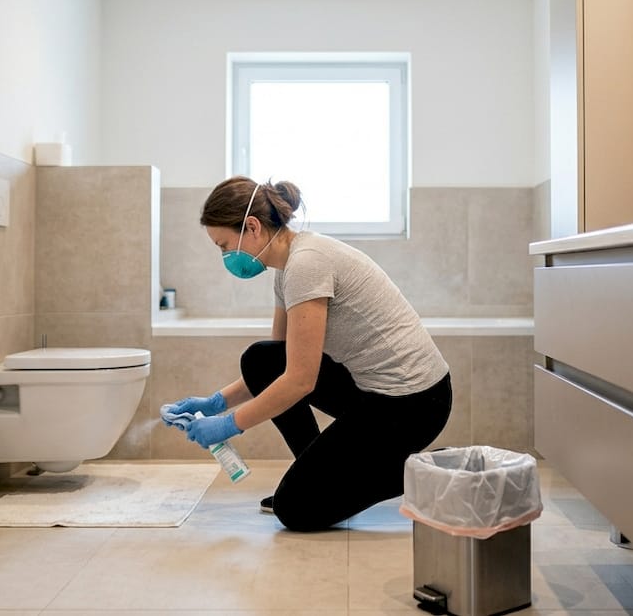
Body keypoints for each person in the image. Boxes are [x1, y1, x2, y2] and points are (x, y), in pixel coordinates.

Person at [162, 176, 452, 531]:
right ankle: (321, 476)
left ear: (251, 227)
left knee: (296, 510)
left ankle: (432, 470)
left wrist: (228, 425)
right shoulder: (287, 271)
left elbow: (299, 381)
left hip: (414, 403)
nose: (225, 257)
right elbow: (277, 364)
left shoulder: (306, 265)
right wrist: (216, 402)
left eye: (224, 245)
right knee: (261, 358)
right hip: (376, 393)